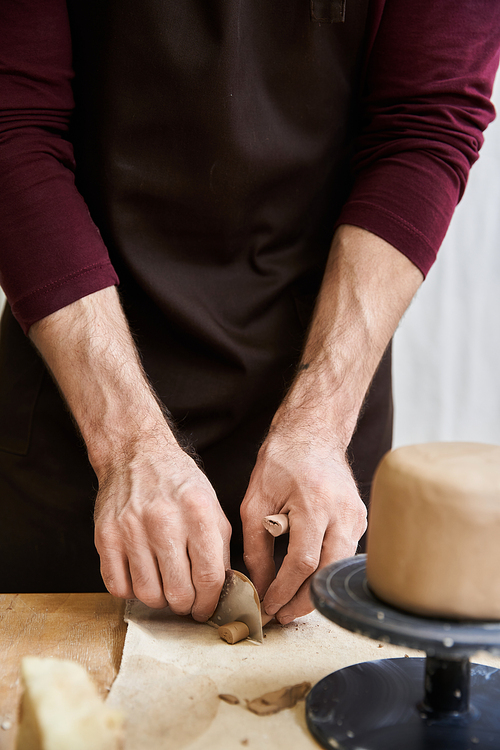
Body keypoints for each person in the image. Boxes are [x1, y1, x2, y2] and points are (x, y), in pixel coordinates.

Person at [0, 0, 498, 625]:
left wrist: (319, 424)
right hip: (75, 404)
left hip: (323, 422)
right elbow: (14, 129)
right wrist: (127, 445)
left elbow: (425, 126)